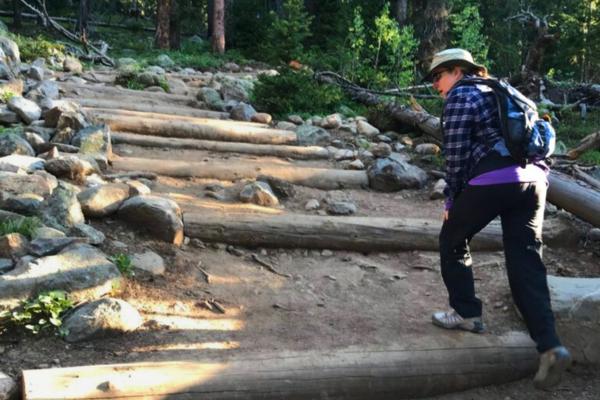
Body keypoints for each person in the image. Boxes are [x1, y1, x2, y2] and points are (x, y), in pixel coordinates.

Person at [422, 48, 571, 390]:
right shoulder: (503, 90)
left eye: (437, 76)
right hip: (534, 180)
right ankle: (550, 345)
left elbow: (456, 155)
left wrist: (451, 199)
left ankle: (467, 314)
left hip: (492, 179)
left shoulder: (461, 96)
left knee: (452, 238)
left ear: (457, 71)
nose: (435, 85)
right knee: (526, 260)